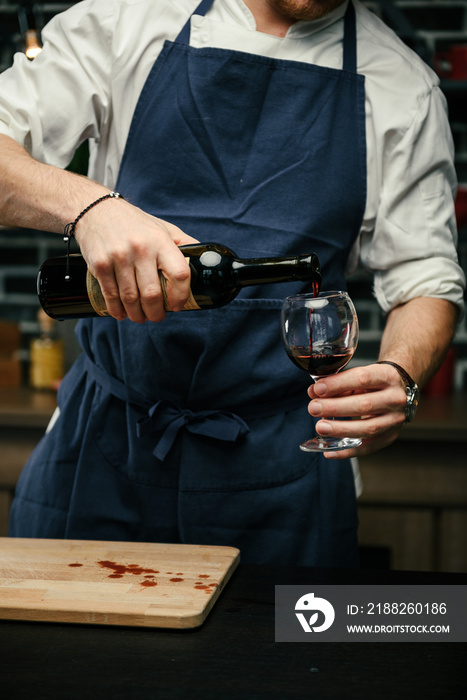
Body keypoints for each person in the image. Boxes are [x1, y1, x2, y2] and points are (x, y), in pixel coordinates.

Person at [0, 0, 464, 567]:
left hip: (281, 469)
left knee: (286, 656)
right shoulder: (127, 19)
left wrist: (401, 375)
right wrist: (91, 207)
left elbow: (427, 279)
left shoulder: (401, 86)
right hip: (103, 445)